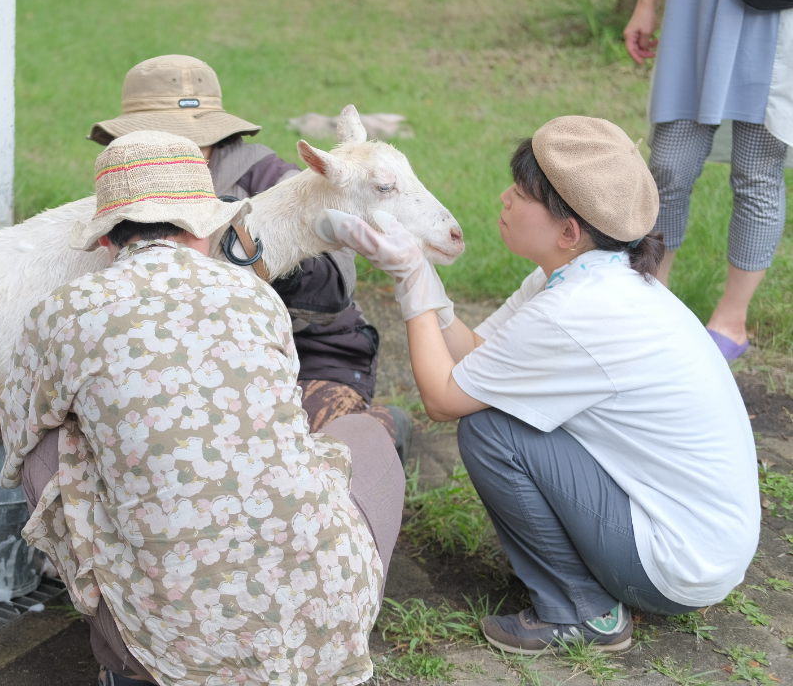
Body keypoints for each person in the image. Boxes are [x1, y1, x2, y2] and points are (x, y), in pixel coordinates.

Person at [321, 116, 759, 653]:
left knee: (488, 427)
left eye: (522, 193)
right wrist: (421, 277)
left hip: (677, 562)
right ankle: (583, 577)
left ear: (568, 231)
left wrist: (411, 282)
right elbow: (478, 358)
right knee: (492, 406)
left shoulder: (577, 310)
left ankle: (582, 610)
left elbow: (444, 398)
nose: (504, 197)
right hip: (699, 541)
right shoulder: (585, 275)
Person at [0, 130, 406, 685]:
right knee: (366, 433)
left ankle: (121, 655)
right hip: (325, 615)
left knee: (46, 441)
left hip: (170, 643)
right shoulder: (258, 297)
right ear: (205, 227)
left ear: (105, 241)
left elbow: (15, 427)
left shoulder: (64, 310)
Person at [88, 54, 409, 451]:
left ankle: (379, 430)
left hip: (307, 355)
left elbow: (334, 289)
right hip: (191, 360)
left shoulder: (274, 180)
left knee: (290, 454)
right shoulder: (130, 182)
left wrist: (261, 256)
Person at [622, 0, 793, 359]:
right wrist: (646, 3)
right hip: (694, 10)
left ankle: (731, 320)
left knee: (757, 172)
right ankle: (653, 299)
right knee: (669, 169)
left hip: (778, 10)